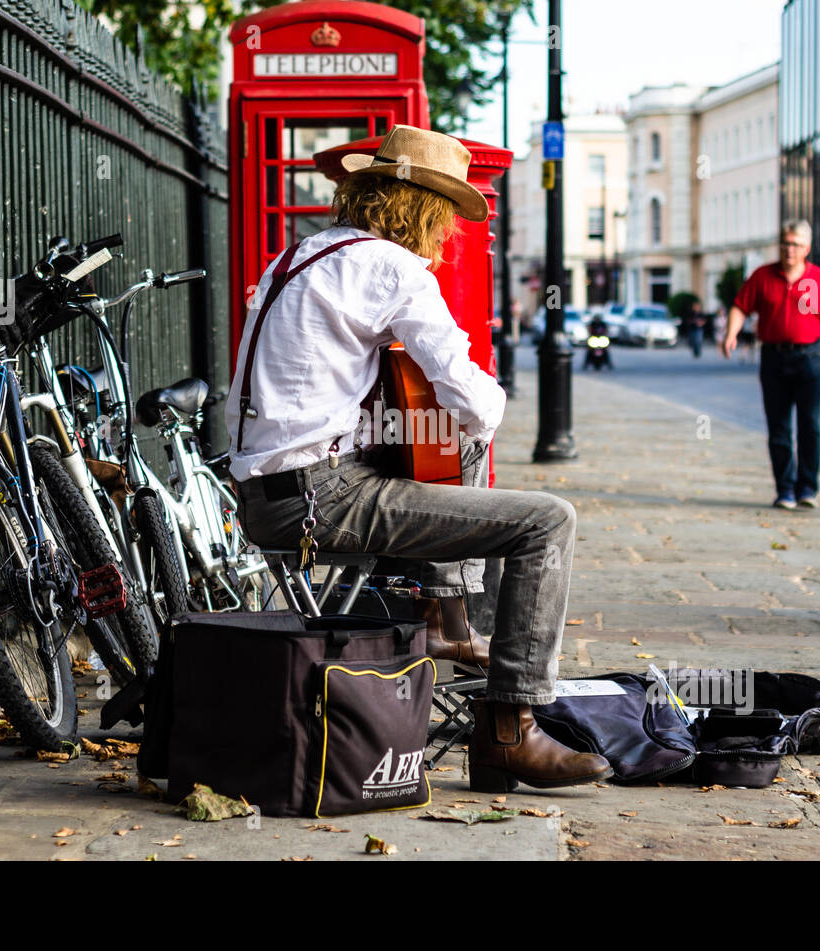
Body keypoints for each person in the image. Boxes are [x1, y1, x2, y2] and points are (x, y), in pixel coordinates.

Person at [224, 124, 611, 793]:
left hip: (265, 495)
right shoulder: (392, 267)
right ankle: (507, 725)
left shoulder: (299, 255)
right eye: (445, 220)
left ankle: (447, 618)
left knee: (430, 429)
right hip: (321, 501)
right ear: (421, 210)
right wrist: (474, 401)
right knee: (547, 519)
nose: (446, 238)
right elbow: (477, 404)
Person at [720, 221, 820, 509]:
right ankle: (785, 489)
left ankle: (807, 488)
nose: (789, 249)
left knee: (810, 426)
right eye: (785, 243)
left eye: (796, 244)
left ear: (807, 249)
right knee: (779, 427)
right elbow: (740, 306)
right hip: (774, 358)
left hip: (810, 358)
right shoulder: (762, 276)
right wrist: (731, 333)